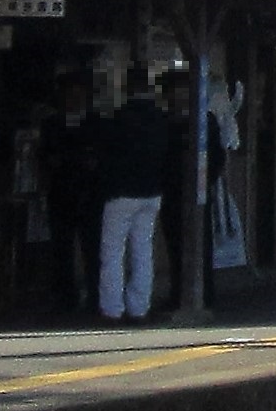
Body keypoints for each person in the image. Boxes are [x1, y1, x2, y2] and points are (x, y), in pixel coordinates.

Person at [93, 72, 181, 322]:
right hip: (152, 192)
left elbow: (106, 155)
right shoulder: (161, 119)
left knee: (112, 252)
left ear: (128, 89)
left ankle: (112, 308)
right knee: (143, 250)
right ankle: (139, 306)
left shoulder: (118, 118)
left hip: (121, 192)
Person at [39, 75, 102, 313]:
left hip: (89, 194)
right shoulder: (51, 124)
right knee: (61, 248)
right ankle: (65, 297)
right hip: (60, 192)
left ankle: (95, 296)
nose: (74, 101)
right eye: (69, 96)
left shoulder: (95, 122)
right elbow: (44, 156)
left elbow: (98, 158)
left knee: (91, 248)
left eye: (78, 95)